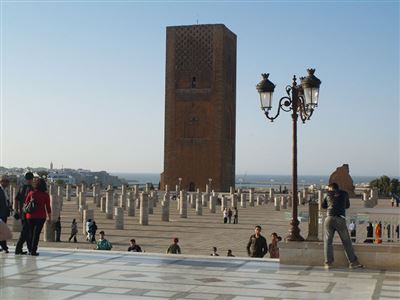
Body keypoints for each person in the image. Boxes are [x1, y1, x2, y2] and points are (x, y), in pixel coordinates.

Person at [322, 182, 363, 269]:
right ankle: (353, 262)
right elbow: (347, 205)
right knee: (346, 241)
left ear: (330, 188)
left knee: (328, 241)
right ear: (337, 188)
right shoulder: (344, 193)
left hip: (329, 218)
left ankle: (328, 263)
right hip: (340, 218)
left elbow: (323, 205)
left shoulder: (327, 194)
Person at [25, 177, 52, 256]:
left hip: (30, 216)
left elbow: (26, 203)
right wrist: (49, 217)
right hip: (41, 216)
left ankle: (30, 249)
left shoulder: (31, 193)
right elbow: (48, 207)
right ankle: (33, 250)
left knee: (31, 233)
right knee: (36, 234)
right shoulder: (45, 195)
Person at [15, 172, 34, 254]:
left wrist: (17, 210)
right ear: (31, 179)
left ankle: (29, 249)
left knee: (27, 231)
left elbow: (16, 199)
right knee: (25, 232)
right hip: (28, 213)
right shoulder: (32, 189)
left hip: (23, 212)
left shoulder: (21, 187)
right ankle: (18, 248)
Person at [0, 175, 11, 253]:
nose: (7, 183)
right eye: (6, 181)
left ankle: (3, 247)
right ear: (2, 181)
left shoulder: (4, 190)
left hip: (4, 214)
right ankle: (4, 247)